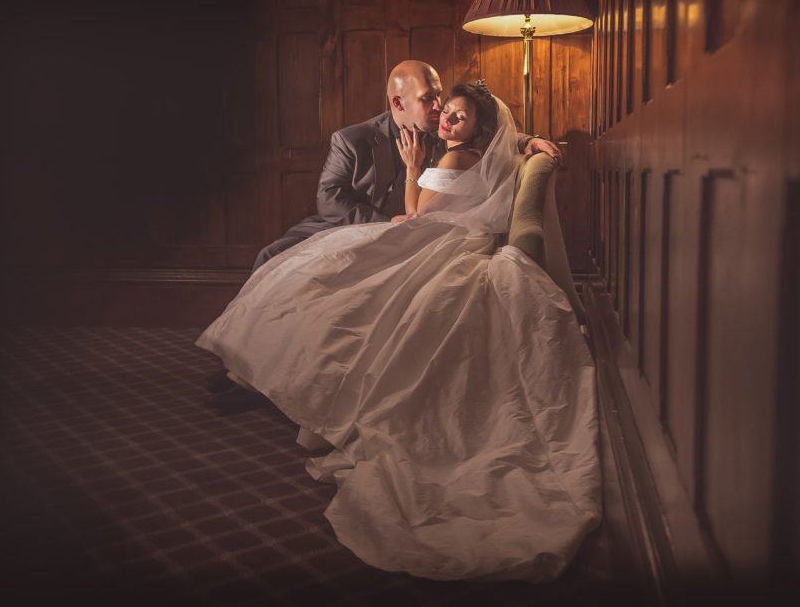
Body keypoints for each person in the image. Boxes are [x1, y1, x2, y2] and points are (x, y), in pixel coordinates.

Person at [196, 83, 600, 583]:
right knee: (317, 270)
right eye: (442, 108)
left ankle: (268, 380)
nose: (444, 116)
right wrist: (524, 142)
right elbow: (349, 197)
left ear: (480, 128)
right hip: (426, 228)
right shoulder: (388, 140)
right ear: (398, 101)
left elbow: (418, 212)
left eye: (455, 112)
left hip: (431, 231)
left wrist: (413, 171)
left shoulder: (453, 156)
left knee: (334, 283)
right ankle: (250, 377)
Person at [250, 60, 560, 270]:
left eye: (439, 94)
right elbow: (329, 198)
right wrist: (384, 223)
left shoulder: (444, 133)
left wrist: (527, 141)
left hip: (413, 240)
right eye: (429, 98)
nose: (440, 106)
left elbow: (490, 137)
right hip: (351, 226)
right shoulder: (351, 140)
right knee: (272, 257)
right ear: (398, 103)